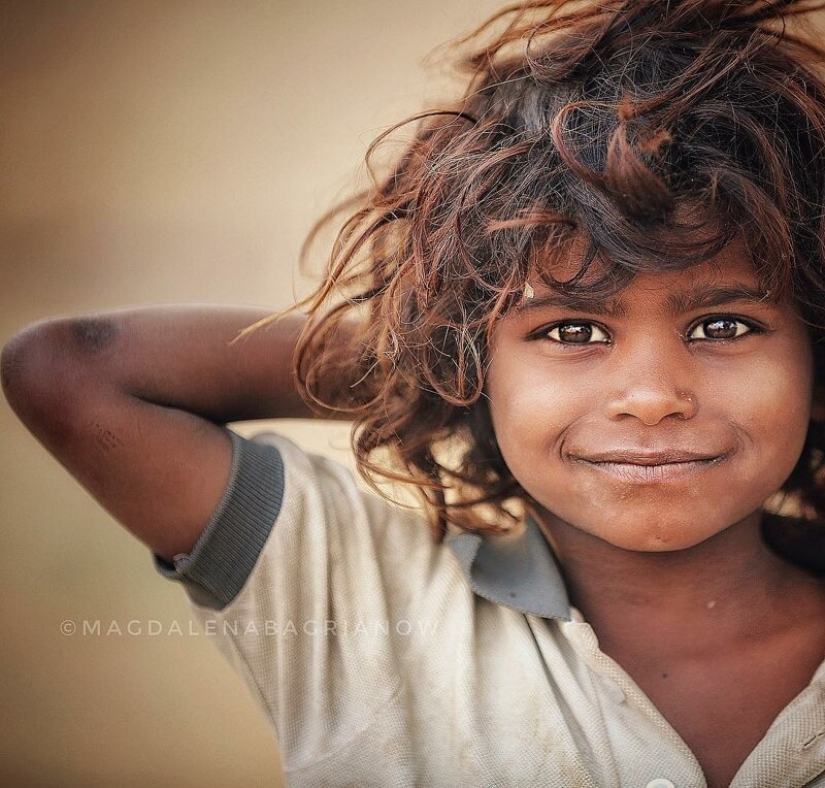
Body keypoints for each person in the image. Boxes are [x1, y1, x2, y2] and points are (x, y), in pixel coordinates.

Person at [4, 0, 825, 785]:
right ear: (472, 359)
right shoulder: (356, 611)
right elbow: (71, 373)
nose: (650, 396)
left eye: (723, 327)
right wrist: (436, 371)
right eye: (571, 332)